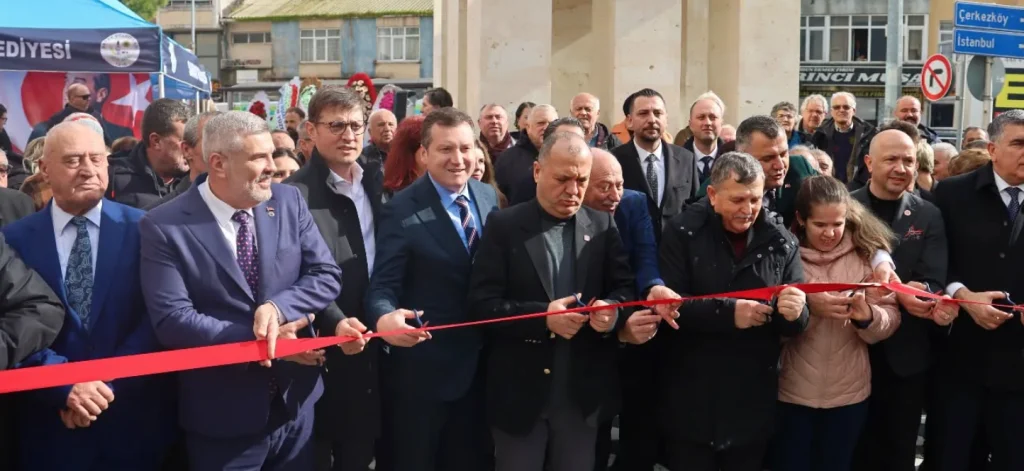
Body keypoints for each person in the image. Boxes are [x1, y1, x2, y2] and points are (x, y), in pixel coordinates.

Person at [138, 111, 343, 471]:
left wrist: (278, 309)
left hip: (297, 407)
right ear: (218, 163)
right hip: (223, 417)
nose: (272, 166)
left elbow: (325, 274)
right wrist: (266, 343)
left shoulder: (288, 201)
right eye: (258, 157)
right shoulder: (164, 226)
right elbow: (173, 319)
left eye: (271, 154)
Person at [3, 121, 177, 470]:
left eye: (97, 159)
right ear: (44, 169)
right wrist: (62, 385)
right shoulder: (14, 238)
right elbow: (15, 325)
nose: (87, 170)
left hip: (132, 420)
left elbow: (156, 317)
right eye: (72, 160)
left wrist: (102, 389)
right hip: (49, 425)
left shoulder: (146, 228)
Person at [468, 132, 635, 471]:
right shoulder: (504, 226)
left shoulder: (602, 225)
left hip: (580, 396)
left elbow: (625, 289)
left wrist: (611, 312)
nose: (573, 191)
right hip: (520, 395)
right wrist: (542, 317)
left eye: (582, 180)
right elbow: (482, 304)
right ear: (537, 172)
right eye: (563, 179)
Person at [658, 151, 809, 471]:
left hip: (751, 394)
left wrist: (795, 313)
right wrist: (728, 314)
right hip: (692, 392)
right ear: (712, 195)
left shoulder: (780, 239)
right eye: (738, 200)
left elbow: (796, 317)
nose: (748, 210)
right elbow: (669, 305)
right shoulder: (683, 232)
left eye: (755, 199)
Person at [366, 107, 499, 471]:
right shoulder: (401, 209)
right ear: (423, 154)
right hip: (425, 378)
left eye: (467, 148)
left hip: (485, 368)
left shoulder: (487, 197)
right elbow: (383, 286)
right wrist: (383, 319)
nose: (458, 160)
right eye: (446, 149)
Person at [773, 175, 901, 471]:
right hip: (791, 393)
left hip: (849, 395)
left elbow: (891, 318)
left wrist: (867, 316)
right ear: (801, 220)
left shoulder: (865, 258)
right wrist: (804, 308)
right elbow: (769, 323)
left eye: (837, 224)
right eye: (820, 225)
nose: (830, 233)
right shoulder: (784, 256)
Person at [285, 86, 383, 471]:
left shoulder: (377, 182)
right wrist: (334, 319)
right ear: (311, 130)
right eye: (337, 125)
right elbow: (295, 276)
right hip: (324, 347)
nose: (349, 135)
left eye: (357, 126)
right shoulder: (293, 195)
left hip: (378, 340)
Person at [850, 129, 955, 471]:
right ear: (869, 163)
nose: (901, 168)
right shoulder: (846, 207)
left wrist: (920, 292)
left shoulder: (928, 214)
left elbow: (934, 277)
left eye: (908, 160)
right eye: (891, 159)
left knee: (898, 453)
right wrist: (900, 293)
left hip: (905, 358)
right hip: (850, 351)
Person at [930, 110, 1024, 471]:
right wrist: (962, 295)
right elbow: (935, 262)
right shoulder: (952, 195)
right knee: (953, 456)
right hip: (960, 358)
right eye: (1017, 144)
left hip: (1018, 364)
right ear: (993, 149)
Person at [584, 148, 681, 471]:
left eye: (619, 185)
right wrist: (613, 322)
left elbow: (645, 256)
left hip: (634, 320)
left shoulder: (634, 202)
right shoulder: (565, 209)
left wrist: (654, 288)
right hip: (588, 331)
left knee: (640, 418)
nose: (614, 196)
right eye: (604, 187)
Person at [611, 88, 699, 242]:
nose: (652, 120)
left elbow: (695, 208)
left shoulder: (686, 159)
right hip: (629, 254)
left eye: (658, 113)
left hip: (675, 255)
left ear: (666, 119)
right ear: (629, 121)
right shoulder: (614, 160)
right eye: (643, 113)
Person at [106, 99, 194, 209]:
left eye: (193, 141)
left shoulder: (200, 178)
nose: (190, 149)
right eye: (183, 141)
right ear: (156, 141)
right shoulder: (112, 177)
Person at [144, 111, 222, 210]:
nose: (226, 150)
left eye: (233, 143)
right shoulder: (157, 217)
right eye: (213, 141)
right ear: (187, 150)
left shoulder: (245, 205)